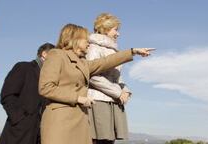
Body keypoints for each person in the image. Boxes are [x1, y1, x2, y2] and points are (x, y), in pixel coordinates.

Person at [39, 23, 154, 144]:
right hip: (61, 121)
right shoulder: (56, 55)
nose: (88, 42)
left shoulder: (83, 62)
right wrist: (78, 98)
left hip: (80, 121)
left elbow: (106, 62)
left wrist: (132, 52)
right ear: (75, 39)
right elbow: (46, 88)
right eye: (86, 39)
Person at [86, 13, 134, 144]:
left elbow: (118, 77)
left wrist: (126, 90)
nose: (118, 34)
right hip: (99, 101)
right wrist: (118, 92)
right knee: (98, 140)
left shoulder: (113, 50)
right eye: (115, 30)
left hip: (113, 101)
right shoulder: (93, 47)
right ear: (105, 29)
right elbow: (92, 76)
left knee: (109, 141)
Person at [0, 43, 55, 144]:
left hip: (39, 133)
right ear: (44, 54)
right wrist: (18, 118)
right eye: (54, 57)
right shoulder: (23, 67)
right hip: (19, 131)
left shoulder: (49, 79)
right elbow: (7, 94)